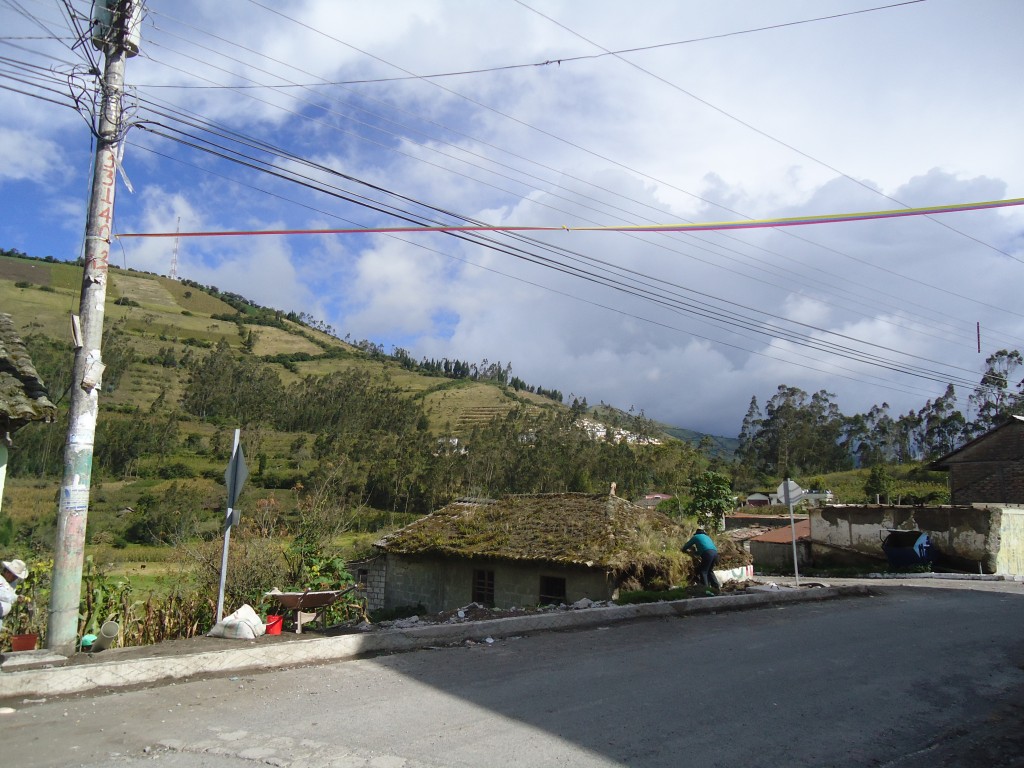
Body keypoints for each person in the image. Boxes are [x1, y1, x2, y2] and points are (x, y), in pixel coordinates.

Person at [682, 528, 720, 595]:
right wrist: (695, 553)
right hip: (715, 553)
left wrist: (683, 550)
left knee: (703, 571)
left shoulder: (696, 537)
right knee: (710, 570)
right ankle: (716, 587)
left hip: (708, 553)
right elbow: (703, 549)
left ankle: (706, 589)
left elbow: (687, 545)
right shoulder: (707, 537)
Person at [1, 558, 29, 632]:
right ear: (7, 572)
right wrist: (16, 598)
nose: (15, 578)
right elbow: (3, 594)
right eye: (14, 576)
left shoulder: (12, 583)